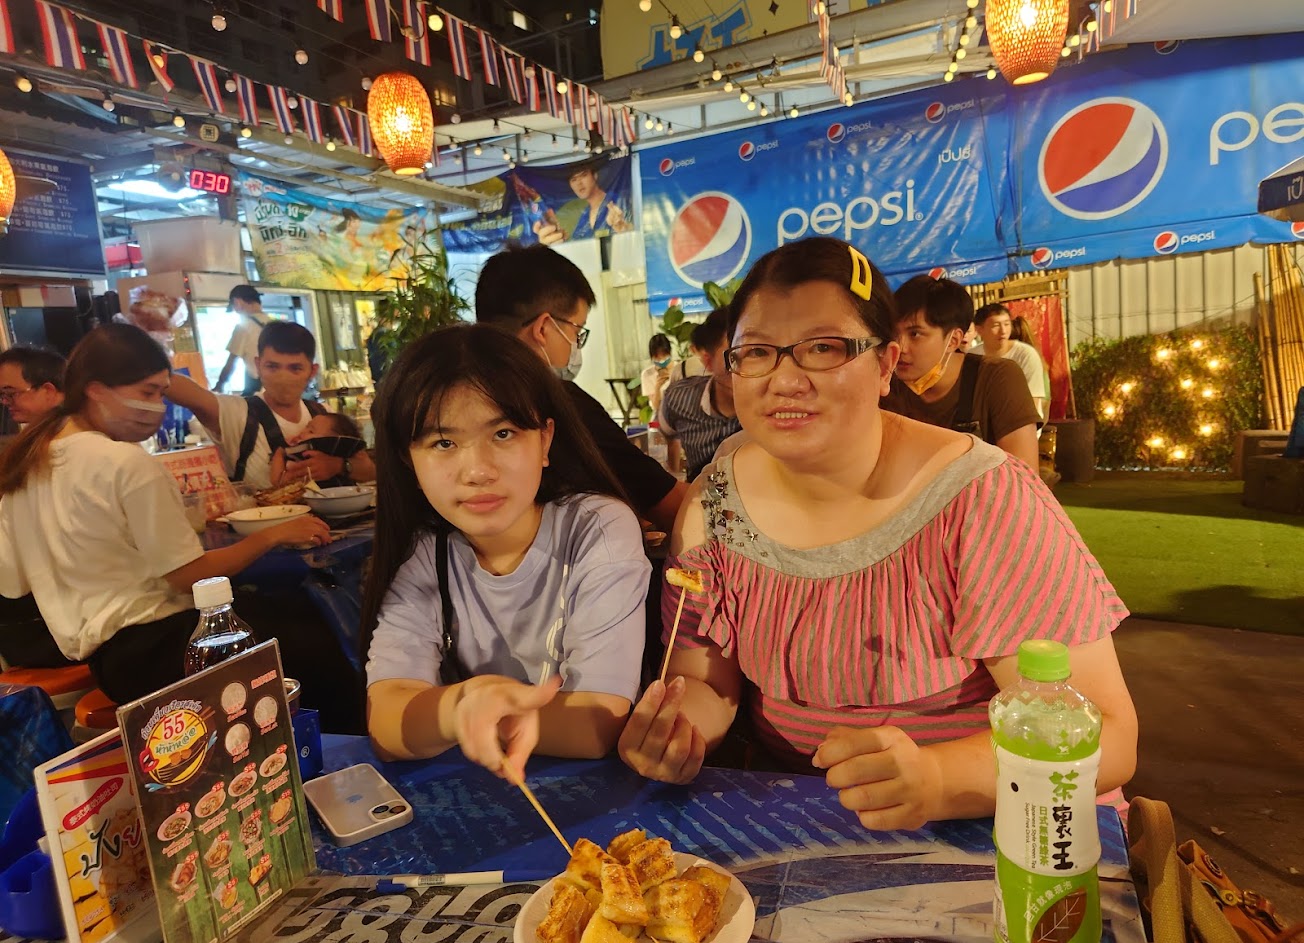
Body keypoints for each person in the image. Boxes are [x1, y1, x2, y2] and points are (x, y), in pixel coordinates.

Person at [612, 237, 1137, 830]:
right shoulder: (714, 505)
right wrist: (678, 731)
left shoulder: (980, 500)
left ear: (886, 365)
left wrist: (940, 778)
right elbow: (702, 680)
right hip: (801, 823)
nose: (784, 381)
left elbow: (1109, 737)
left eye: (823, 348)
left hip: (1005, 827)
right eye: (756, 352)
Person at [0, 324, 363, 730]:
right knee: (318, 634)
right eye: (147, 393)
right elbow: (189, 576)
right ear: (96, 390)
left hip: (110, 666)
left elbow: (13, 582)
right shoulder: (124, 462)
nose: (157, 407)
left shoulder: (23, 467)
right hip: (165, 649)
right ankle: (346, 752)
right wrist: (274, 534)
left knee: (290, 617)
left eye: (162, 393)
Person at [362, 324, 650, 776]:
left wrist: (465, 718)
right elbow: (385, 724)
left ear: (545, 440)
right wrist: (461, 706)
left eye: (503, 434)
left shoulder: (597, 528)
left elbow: (596, 724)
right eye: (443, 443)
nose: (478, 471)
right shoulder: (425, 556)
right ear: (408, 460)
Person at [475, 244, 684, 533]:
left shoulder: (449, 399)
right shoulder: (562, 403)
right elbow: (670, 506)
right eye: (577, 330)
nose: (576, 345)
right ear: (543, 329)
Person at [167, 320, 377, 491]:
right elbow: (184, 391)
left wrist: (339, 466)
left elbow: (370, 470)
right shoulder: (236, 413)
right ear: (258, 366)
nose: (283, 378)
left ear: (312, 371)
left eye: (295, 368)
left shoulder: (323, 415)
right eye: (273, 367)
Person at [889, 275, 1040, 469]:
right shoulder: (886, 385)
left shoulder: (998, 377)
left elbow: (1024, 478)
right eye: (893, 334)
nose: (899, 347)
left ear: (953, 341)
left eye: (915, 334)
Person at [0, 346, 69, 669]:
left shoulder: (44, 451)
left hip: (42, 624)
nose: (6, 403)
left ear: (49, 390)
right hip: (48, 632)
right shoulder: (34, 456)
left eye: (11, 393)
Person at [659, 307, 741, 482]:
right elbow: (668, 437)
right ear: (708, 361)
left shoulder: (773, 406)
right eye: (734, 357)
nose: (745, 368)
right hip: (700, 493)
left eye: (758, 353)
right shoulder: (679, 399)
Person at [971, 303, 1048, 421]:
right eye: (996, 325)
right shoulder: (972, 356)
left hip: (1023, 421)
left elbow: (1033, 399)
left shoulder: (1026, 355)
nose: (1003, 331)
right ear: (979, 330)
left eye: (1007, 324)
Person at [268, 412, 366, 490]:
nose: (302, 432)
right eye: (306, 427)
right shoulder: (297, 457)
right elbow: (278, 481)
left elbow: (277, 480)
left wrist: (280, 452)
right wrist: (282, 452)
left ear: (331, 443)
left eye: (311, 431)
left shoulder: (347, 461)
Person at [213, 285, 270, 395]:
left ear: (237, 302)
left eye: (234, 306)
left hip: (257, 391)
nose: (236, 310)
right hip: (275, 388)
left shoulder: (243, 327)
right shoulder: (274, 324)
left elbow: (231, 362)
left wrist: (219, 386)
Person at [0, 347, 65, 426]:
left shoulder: (70, 432)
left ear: (48, 391)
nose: (4, 402)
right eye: (2, 395)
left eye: (11, 394)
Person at [640, 333, 674, 415]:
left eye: (664, 355)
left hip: (678, 414)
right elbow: (656, 406)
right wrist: (658, 387)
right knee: (655, 422)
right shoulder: (647, 374)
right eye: (657, 357)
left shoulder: (679, 369)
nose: (661, 360)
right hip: (659, 414)